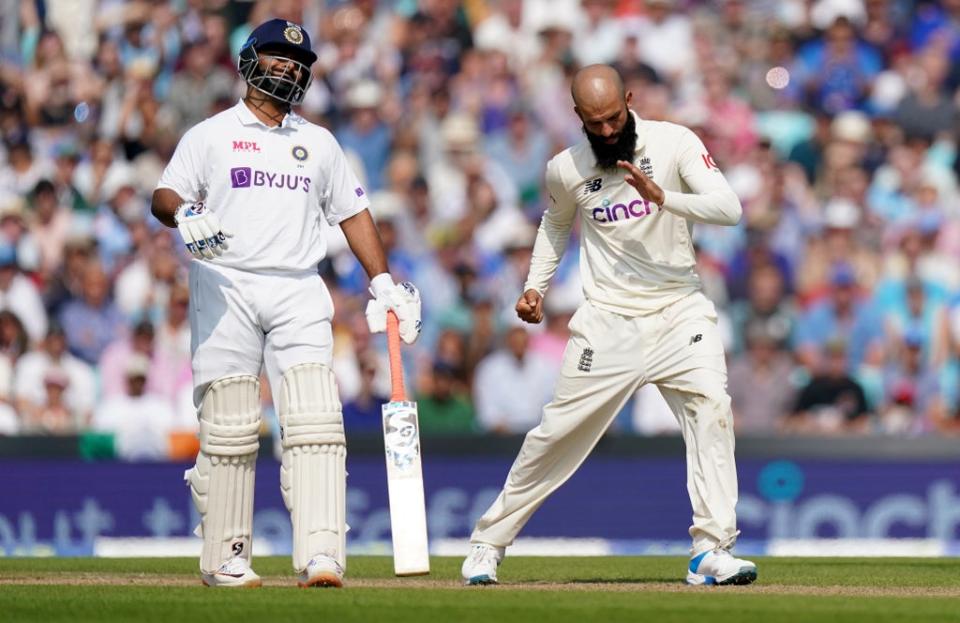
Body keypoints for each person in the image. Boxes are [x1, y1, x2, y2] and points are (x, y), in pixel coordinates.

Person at [461, 64, 756, 587]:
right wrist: (535, 287)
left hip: (679, 309)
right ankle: (489, 542)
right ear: (577, 116)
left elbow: (728, 208)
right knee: (558, 434)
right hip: (609, 322)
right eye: (593, 123)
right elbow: (553, 227)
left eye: (613, 118)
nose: (605, 131)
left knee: (713, 409)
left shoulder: (674, 143)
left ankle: (711, 550)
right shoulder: (566, 168)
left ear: (630, 99)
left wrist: (664, 198)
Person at [150, 19, 420, 589]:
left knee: (317, 419)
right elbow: (164, 193)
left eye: (297, 62)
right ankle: (226, 556)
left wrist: (382, 283)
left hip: (299, 284)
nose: (288, 68)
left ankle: (323, 554)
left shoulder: (318, 141)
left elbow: (353, 212)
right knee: (230, 424)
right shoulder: (211, 134)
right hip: (225, 284)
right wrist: (184, 214)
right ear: (248, 61)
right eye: (275, 57)